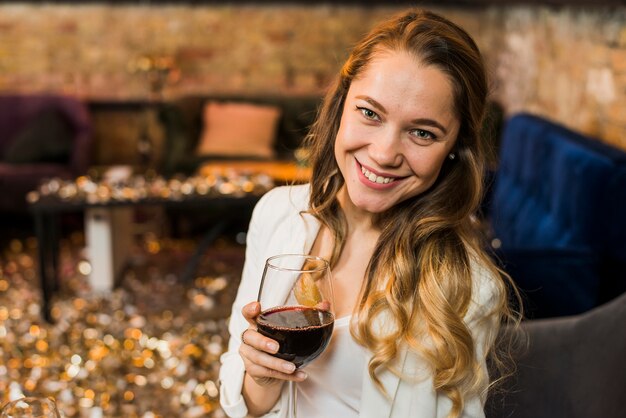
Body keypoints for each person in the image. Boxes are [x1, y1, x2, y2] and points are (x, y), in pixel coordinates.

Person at [219, 8, 520, 418]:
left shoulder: (464, 285)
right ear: (342, 105)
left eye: (422, 132)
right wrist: (259, 376)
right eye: (370, 113)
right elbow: (244, 405)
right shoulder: (277, 214)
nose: (383, 154)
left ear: (454, 148)